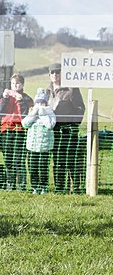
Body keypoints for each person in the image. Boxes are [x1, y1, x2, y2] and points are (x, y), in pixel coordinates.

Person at [46, 63, 86, 194]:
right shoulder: (47, 91)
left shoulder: (71, 89)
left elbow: (80, 108)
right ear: (49, 75)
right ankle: (60, 188)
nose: (55, 75)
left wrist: (74, 126)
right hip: (54, 131)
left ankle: (76, 188)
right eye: (52, 73)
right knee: (57, 160)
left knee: (72, 160)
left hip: (68, 131)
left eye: (57, 72)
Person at [0, 74, 34, 191]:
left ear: (22, 84)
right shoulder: (5, 97)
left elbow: (27, 115)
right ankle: (10, 183)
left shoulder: (27, 99)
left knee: (19, 159)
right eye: (12, 84)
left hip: (19, 131)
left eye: (17, 84)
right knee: (8, 159)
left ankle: (21, 185)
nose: (15, 86)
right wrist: (4, 98)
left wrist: (20, 101)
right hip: (6, 131)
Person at [22, 88, 56, 195]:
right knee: (32, 167)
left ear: (45, 103)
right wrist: (33, 114)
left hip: (45, 147)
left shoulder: (50, 113)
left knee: (43, 167)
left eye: (42, 103)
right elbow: (25, 123)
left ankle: (44, 186)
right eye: (38, 103)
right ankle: (35, 187)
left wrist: (42, 114)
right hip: (32, 146)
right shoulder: (32, 112)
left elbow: (50, 125)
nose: (40, 105)